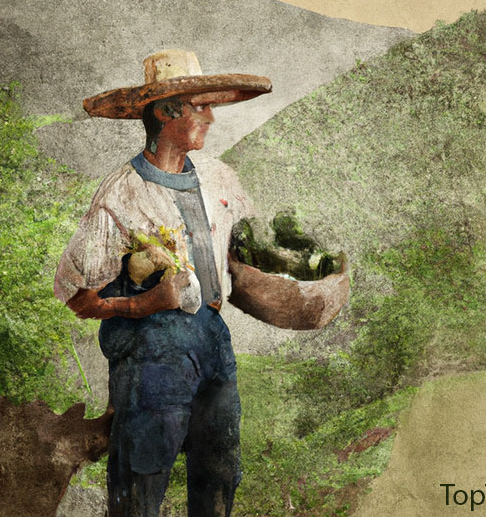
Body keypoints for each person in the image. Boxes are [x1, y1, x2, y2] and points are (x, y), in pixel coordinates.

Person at [53, 49, 349, 517]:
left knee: (219, 471)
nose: (212, 117)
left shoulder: (219, 178)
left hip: (213, 341)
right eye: (202, 106)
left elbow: (244, 256)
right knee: (141, 481)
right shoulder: (120, 195)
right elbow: (76, 296)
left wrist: (301, 281)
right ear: (168, 112)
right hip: (149, 354)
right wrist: (146, 303)